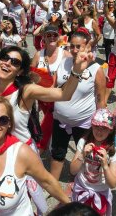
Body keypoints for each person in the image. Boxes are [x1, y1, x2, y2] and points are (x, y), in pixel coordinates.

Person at [0, 96, 70, 216]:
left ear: (9, 124)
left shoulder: (21, 153)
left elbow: (47, 182)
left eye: (2, 120)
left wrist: (75, 208)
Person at [50, 31, 106, 180]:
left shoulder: (96, 69)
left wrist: (101, 126)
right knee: (57, 153)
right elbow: (53, 87)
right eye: (72, 46)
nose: (74, 50)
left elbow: (101, 99)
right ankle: (52, 185)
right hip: (60, 120)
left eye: (78, 47)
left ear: (87, 46)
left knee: (83, 155)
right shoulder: (64, 62)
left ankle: (77, 183)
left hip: (83, 123)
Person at [70, 108, 116, 216]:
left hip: (101, 192)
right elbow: (73, 171)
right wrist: (82, 155)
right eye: (96, 126)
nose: (99, 131)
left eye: (104, 128)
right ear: (92, 126)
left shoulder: (112, 152)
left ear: (110, 130)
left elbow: (113, 184)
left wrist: (105, 166)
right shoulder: (83, 142)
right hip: (82, 188)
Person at [31, 25, 70, 154]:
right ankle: (51, 144)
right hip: (42, 98)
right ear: (43, 38)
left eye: (54, 35)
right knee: (53, 123)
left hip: (57, 98)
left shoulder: (65, 54)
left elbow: (75, 74)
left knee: (46, 125)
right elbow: (30, 73)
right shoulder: (38, 55)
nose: (52, 37)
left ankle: (40, 149)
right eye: (48, 35)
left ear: (58, 37)